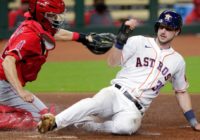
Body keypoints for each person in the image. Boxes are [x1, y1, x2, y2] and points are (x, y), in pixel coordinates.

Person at [37, 10, 200, 135]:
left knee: (126, 127)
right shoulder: (138, 41)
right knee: (93, 103)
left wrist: (193, 121)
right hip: (116, 93)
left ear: (177, 31)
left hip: (135, 108)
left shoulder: (177, 61)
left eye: (169, 29)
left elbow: (181, 91)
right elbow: (112, 62)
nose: (163, 31)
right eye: (161, 27)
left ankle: (85, 125)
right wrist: (120, 41)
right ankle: (54, 122)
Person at [0, 0, 113, 130]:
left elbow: (55, 33)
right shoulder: (29, 35)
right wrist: (20, 91)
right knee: (44, 119)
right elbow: (8, 62)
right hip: (5, 84)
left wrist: (83, 38)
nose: (56, 18)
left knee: (45, 117)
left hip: (4, 83)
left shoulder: (34, 25)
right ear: (42, 15)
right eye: (52, 15)